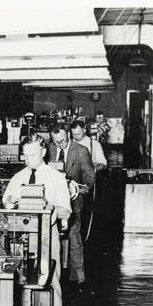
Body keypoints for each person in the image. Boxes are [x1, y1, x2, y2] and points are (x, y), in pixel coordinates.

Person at [3, 134, 71, 306]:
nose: (27, 159)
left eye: (32, 155)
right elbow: (6, 203)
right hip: (22, 237)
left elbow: (66, 210)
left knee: (51, 283)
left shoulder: (56, 177)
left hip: (47, 237)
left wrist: (49, 208)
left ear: (42, 152)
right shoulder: (18, 177)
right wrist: (10, 203)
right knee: (22, 284)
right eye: (25, 155)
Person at [47, 126, 96, 293]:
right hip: (52, 200)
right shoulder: (48, 149)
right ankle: (52, 275)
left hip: (73, 199)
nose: (60, 145)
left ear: (68, 136)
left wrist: (86, 187)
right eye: (56, 142)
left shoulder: (81, 151)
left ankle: (78, 279)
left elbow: (89, 173)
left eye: (63, 141)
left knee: (74, 236)